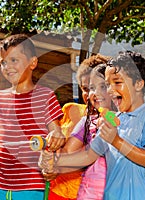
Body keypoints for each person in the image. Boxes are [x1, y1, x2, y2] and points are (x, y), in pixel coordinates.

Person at [40, 51, 145, 200]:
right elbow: (87, 155)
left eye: (117, 83)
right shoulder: (111, 120)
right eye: (108, 84)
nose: (111, 90)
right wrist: (53, 160)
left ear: (138, 84)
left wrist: (116, 141)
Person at [0, 34, 65, 200]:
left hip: (31, 186)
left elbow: (56, 134)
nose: (7, 67)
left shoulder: (45, 96)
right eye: (3, 62)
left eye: (14, 60)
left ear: (33, 62)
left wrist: (57, 135)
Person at [46, 55, 110, 200]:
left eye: (100, 86)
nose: (89, 94)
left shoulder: (115, 118)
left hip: (90, 192)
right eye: (86, 88)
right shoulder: (72, 111)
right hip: (59, 191)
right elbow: (62, 148)